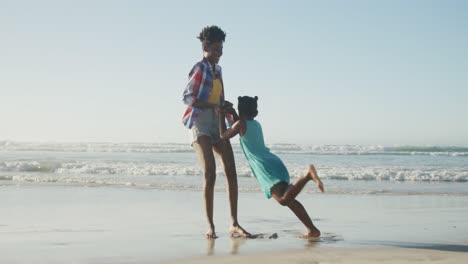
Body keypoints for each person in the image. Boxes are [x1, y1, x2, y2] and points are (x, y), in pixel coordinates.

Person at [219, 96, 324, 238]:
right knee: (290, 201)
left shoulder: (240, 124)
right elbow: (239, 124)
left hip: (265, 167)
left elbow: (224, 135)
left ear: (240, 110)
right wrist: (231, 113)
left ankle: (306, 176)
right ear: (255, 113)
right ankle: (312, 230)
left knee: (283, 200)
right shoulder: (255, 124)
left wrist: (220, 114)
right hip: (273, 162)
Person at [181, 25, 250, 239]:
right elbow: (188, 98)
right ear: (206, 46)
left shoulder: (218, 71)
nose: (219, 53)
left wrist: (226, 107)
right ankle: (210, 226)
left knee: (231, 170)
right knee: (210, 173)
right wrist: (212, 107)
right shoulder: (199, 68)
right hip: (200, 124)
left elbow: (218, 100)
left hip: (217, 124)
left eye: (221, 50)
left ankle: (234, 223)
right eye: (216, 49)